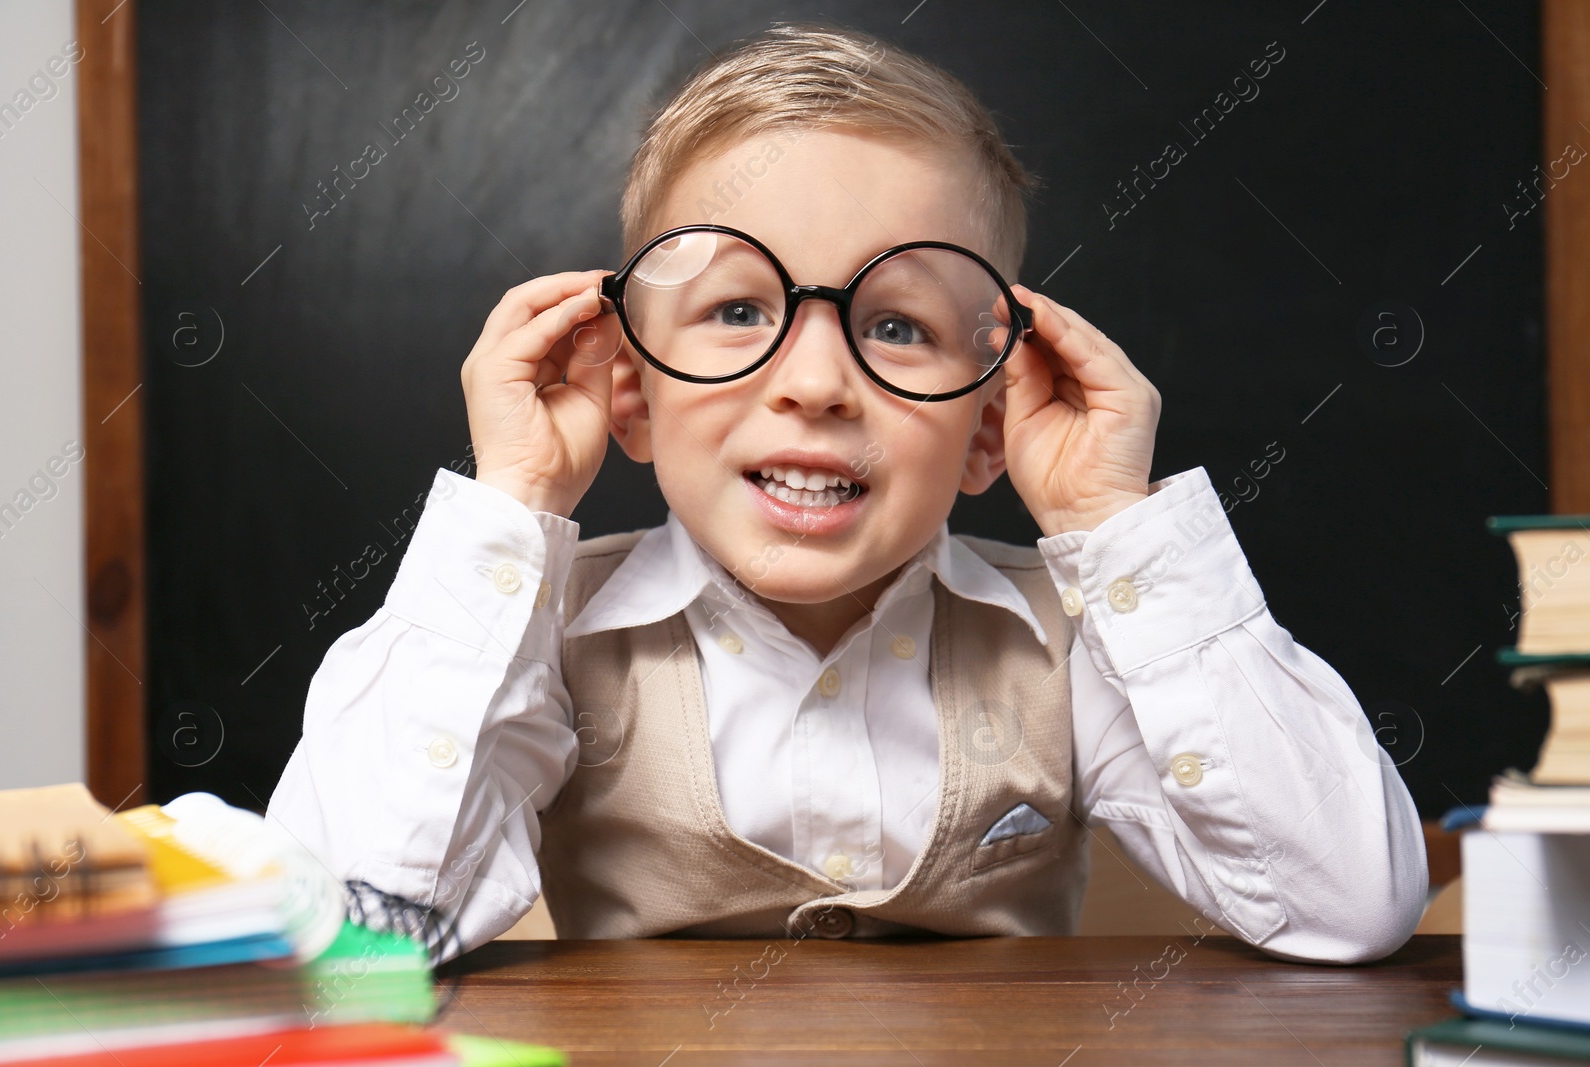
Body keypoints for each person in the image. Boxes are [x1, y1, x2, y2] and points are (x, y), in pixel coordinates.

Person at [267, 21, 1427, 964]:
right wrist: (507, 505)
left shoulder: (1076, 638)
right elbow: (348, 930)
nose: (817, 383)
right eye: (735, 311)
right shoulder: (539, 627)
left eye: (895, 325)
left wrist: (1112, 527)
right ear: (630, 394)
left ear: (987, 425)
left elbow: (1349, 904)